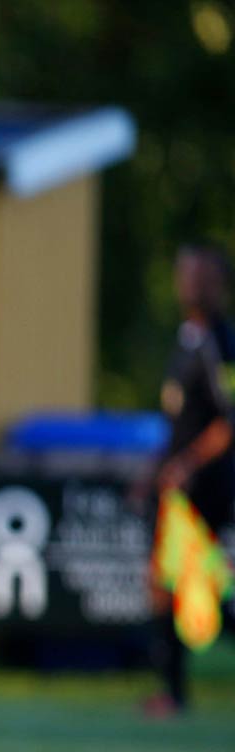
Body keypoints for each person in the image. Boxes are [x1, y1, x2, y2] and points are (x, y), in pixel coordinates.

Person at [142, 244, 235, 716]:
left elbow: (227, 421)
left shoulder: (220, 340)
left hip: (207, 483)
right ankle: (172, 693)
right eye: (184, 275)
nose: (189, 285)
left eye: (199, 277)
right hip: (177, 483)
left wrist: (186, 466)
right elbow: (179, 419)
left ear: (218, 284)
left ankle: (173, 694)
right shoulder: (186, 338)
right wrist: (155, 470)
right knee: (168, 583)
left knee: (198, 586)